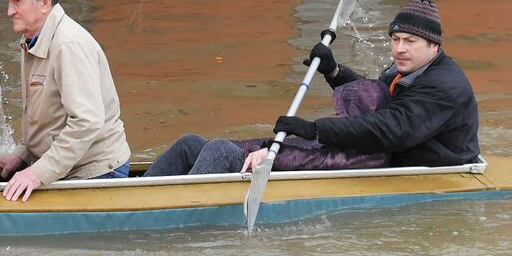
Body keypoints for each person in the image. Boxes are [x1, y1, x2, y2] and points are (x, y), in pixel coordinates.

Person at [261, 0, 480, 169]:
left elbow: (391, 128)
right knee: (273, 147)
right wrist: (334, 72)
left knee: (304, 150)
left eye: (410, 41)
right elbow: (376, 100)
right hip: (395, 153)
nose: (400, 49)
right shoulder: (407, 67)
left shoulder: (444, 86)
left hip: (437, 167)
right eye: (395, 39)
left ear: (434, 46)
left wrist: (316, 130)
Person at [0, 0, 131, 201]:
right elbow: (49, 118)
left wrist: (36, 173)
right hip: (69, 166)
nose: (10, 11)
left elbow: (86, 122)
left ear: (44, 3)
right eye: (9, 3)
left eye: (17, 2)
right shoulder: (33, 38)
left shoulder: (69, 45)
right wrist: (23, 155)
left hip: (98, 172)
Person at [144, 78, 388, 177]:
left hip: (266, 167)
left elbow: (311, 160)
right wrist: (260, 145)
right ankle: (138, 194)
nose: (338, 116)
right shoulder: (348, 133)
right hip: (257, 157)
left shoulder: (365, 154)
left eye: (343, 112)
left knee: (219, 148)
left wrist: (270, 152)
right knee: (190, 142)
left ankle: (174, 207)